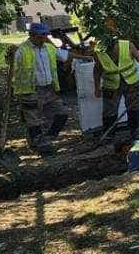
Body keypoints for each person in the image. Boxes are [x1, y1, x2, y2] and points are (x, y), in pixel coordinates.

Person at [12, 23, 88, 156]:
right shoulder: (22, 51)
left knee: (61, 113)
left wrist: (85, 57)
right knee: (33, 121)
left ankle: (45, 139)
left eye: (45, 35)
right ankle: (42, 147)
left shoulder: (49, 48)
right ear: (32, 36)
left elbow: (66, 55)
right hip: (30, 91)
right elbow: (12, 64)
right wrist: (9, 57)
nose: (44, 38)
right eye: (41, 36)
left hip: (49, 90)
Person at [93, 34, 139, 141]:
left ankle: (135, 131)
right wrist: (96, 88)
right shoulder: (99, 52)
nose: (111, 51)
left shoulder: (127, 45)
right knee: (109, 110)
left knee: (133, 106)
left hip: (131, 83)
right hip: (111, 86)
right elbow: (97, 70)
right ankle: (109, 134)